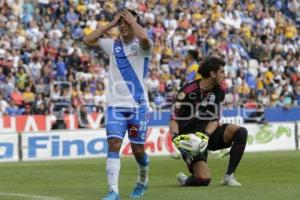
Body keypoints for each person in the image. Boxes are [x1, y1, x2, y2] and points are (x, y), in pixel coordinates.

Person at [83, 9, 152, 200]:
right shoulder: (112, 45)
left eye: (126, 21)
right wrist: (111, 24)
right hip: (115, 106)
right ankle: (113, 191)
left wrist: (133, 21)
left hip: (138, 106)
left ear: (134, 23)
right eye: (121, 21)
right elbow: (87, 41)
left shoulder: (143, 46)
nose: (123, 24)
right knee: (113, 144)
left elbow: (145, 38)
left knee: (138, 150)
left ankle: (142, 182)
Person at [169, 56, 248, 187]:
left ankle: (229, 176)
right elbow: (173, 118)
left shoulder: (218, 91)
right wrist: (176, 137)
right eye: (222, 72)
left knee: (240, 132)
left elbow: (214, 118)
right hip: (191, 139)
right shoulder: (187, 91)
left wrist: (206, 136)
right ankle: (184, 179)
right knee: (203, 180)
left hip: (207, 134)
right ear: (212, 73)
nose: (225, 75)